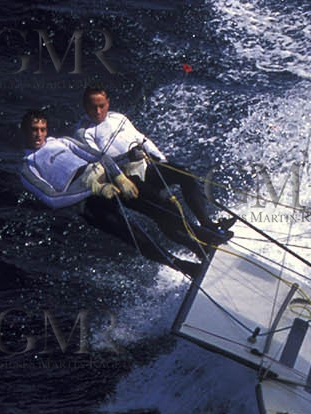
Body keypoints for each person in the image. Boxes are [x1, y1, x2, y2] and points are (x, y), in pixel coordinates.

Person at [17, 109, 201, 278]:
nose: (38, 134)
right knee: (134, 236)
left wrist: (120, 176)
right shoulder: (27, 166)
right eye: (33, 130)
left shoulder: (63, 142)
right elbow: (52, 199)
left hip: (106, 178)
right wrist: (94, 188)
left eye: (42, 129)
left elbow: (100, 157)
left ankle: (200, 243)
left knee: (160, 206)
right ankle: (184, 267)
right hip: (87, 203)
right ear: (24, 131)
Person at [74, 84, 232, 246]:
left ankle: (208, 225)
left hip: (145, 168)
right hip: (125, 181)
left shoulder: (118, 118)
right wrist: (127, 157)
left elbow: (142, 140)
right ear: (85, 106)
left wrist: (162, 160)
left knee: (185, 175)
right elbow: (101, 163)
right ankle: (201, 243)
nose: (98, 111)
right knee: (165, 210)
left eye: (101, 106)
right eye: (93, 107)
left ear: (108, 102)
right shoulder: (83, 133)